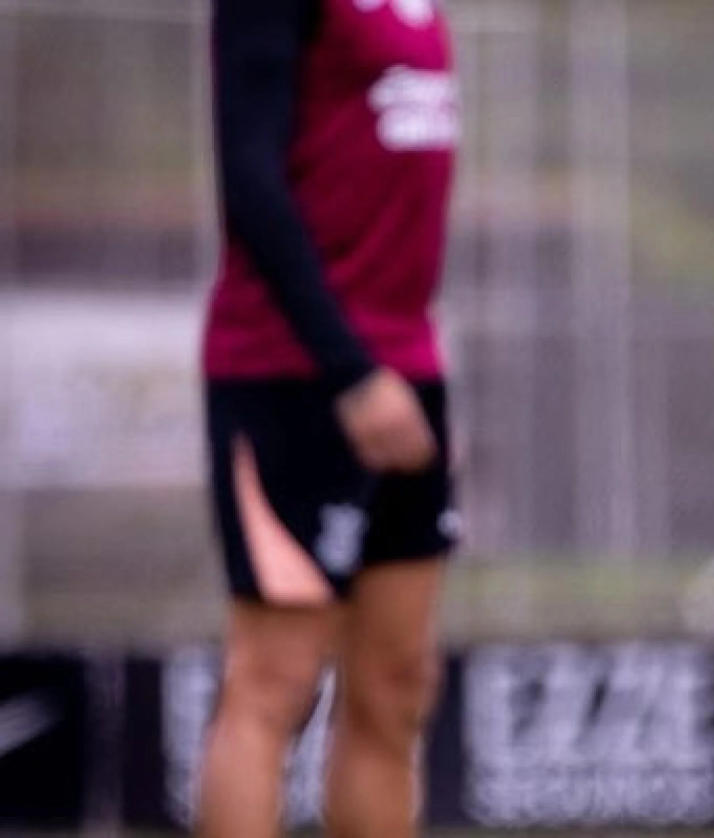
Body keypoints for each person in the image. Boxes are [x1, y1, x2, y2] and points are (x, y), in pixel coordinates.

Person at [197, 1, 460, 836]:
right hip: (296, 370)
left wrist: (391, 369)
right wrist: (348, 371)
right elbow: (248, 173)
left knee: (396, 682)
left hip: (407, 368)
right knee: (275, 680)